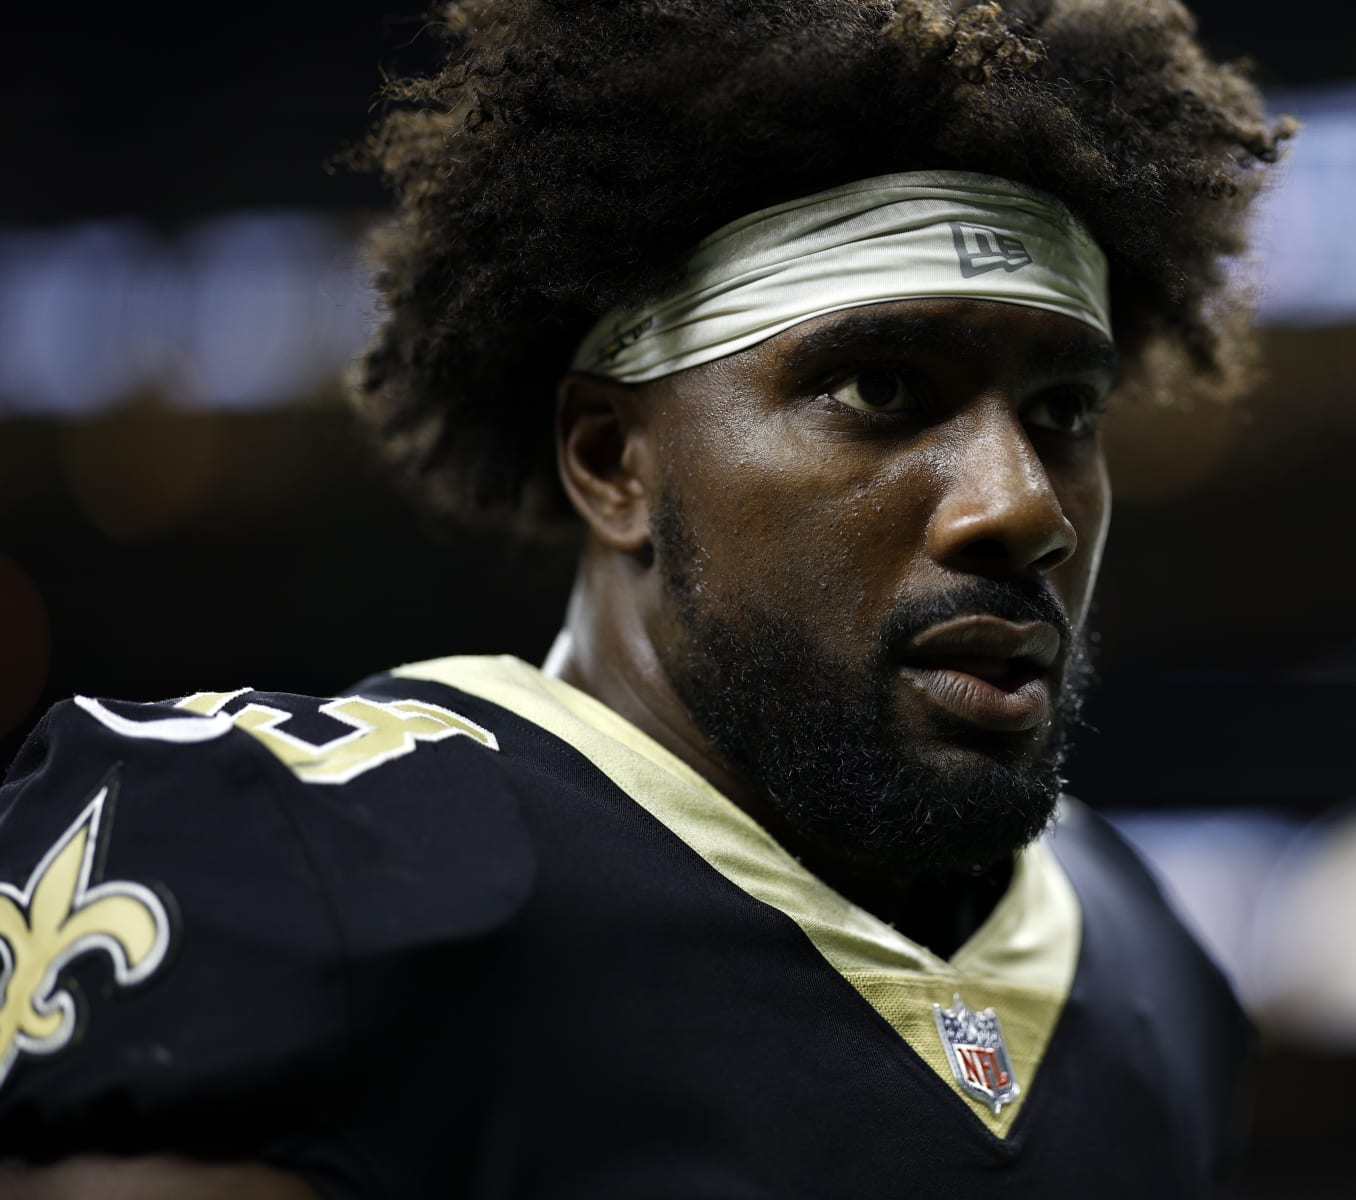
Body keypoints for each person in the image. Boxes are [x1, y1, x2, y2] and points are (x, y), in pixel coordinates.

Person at [0, 1, 1290, 1195]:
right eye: (885, 389)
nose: (1024, 507)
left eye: (1065, 412)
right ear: (615, 463)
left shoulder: (1146, 959)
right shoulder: (317, 855)